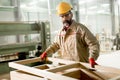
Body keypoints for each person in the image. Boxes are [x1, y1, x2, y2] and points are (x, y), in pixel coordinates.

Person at [40, 2, 100, 68]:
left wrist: (92, 57)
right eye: (62, 16)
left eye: (66, 15)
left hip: (81, 67)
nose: (65, 18)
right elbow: (56, 45)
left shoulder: (80, 29)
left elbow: (94, 44)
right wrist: (46, 52)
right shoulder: (60, 32)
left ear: (71, 14)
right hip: (67, 66)